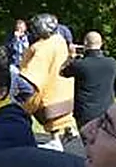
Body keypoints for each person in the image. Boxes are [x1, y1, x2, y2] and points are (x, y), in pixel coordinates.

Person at [20, 13, 77, 153]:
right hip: (64, 91)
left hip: (49, 95)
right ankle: (69, 129)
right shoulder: (59, 40)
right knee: (60, 113)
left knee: (25, 108)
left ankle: (55, 140)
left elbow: (32, 74)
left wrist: (20, 83)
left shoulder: (40, 48)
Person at [61, 31, 116, 130]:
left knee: (88, 142)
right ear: (101, 44)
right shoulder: (112, 63)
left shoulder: (80, 65)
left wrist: (71, 56)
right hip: (107, 110)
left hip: (85, 112)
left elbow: (62, 71)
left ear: (85, 44)